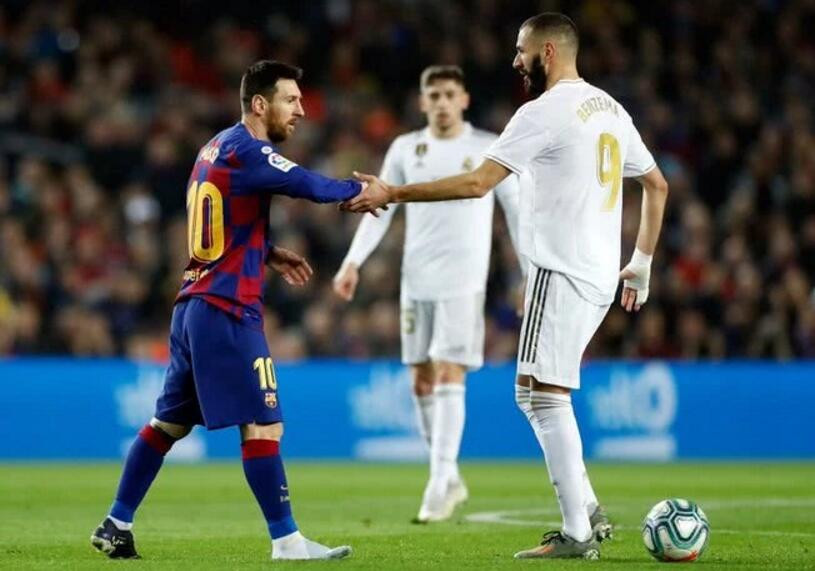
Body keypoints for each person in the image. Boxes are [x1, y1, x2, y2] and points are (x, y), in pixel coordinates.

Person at [343, 13, 669, 560]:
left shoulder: (542, 112)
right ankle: (586, 508)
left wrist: (392, 193)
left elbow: (477, 184)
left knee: (540, 395)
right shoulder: (611, 108)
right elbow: (655, 185)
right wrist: (642, 263)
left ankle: (577, 533)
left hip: (560, 269)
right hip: (599, 275)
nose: (514, 61)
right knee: (540, 393)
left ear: (546, 52)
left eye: (520, 51)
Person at [91, 60, 368, 561]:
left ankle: (116, 521)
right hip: (226, 309)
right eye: (292, 100)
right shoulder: (249, 149)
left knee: (167, 426)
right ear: (260, 104)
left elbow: (220, 221)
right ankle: (287, 541)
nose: (302, 110)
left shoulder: (213, 147)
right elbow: (305, 183)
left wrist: (264, 250)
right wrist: (361, 191)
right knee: (263, 425)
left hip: (194, 306)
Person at [332, 65, 525, 523]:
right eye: (432, 95)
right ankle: (448, 474)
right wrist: (352, 262)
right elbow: (378, 207)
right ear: (422, 103)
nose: (440, 102)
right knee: (420, 379)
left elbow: (516, 211)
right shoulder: (405, 147)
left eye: (448, 94)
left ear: (464, 100)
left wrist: (526, 273)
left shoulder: (487, 147)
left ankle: (438, 484)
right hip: (416, 279)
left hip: (464, 280)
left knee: (448, 372)